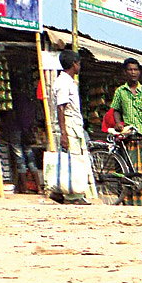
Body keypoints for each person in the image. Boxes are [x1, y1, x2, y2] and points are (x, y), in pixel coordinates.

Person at [53, 49, 88, 204]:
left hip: (74, 124)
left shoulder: (68, 81)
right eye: (79, 63)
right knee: (73, 159)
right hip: (69, 124)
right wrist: (64, 133)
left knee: (66, 159)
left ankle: (58, 191)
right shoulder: (63, 82)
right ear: (74, 64)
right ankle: (73, 196)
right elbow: (61, 107)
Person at [109, 58, 142, 133]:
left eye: (136, 70)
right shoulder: (120, 91)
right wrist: (118, 123)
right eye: (130, 70)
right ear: (125, 72)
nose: (133, 72)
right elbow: (116, 110)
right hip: (129, 133)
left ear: (139, 72)